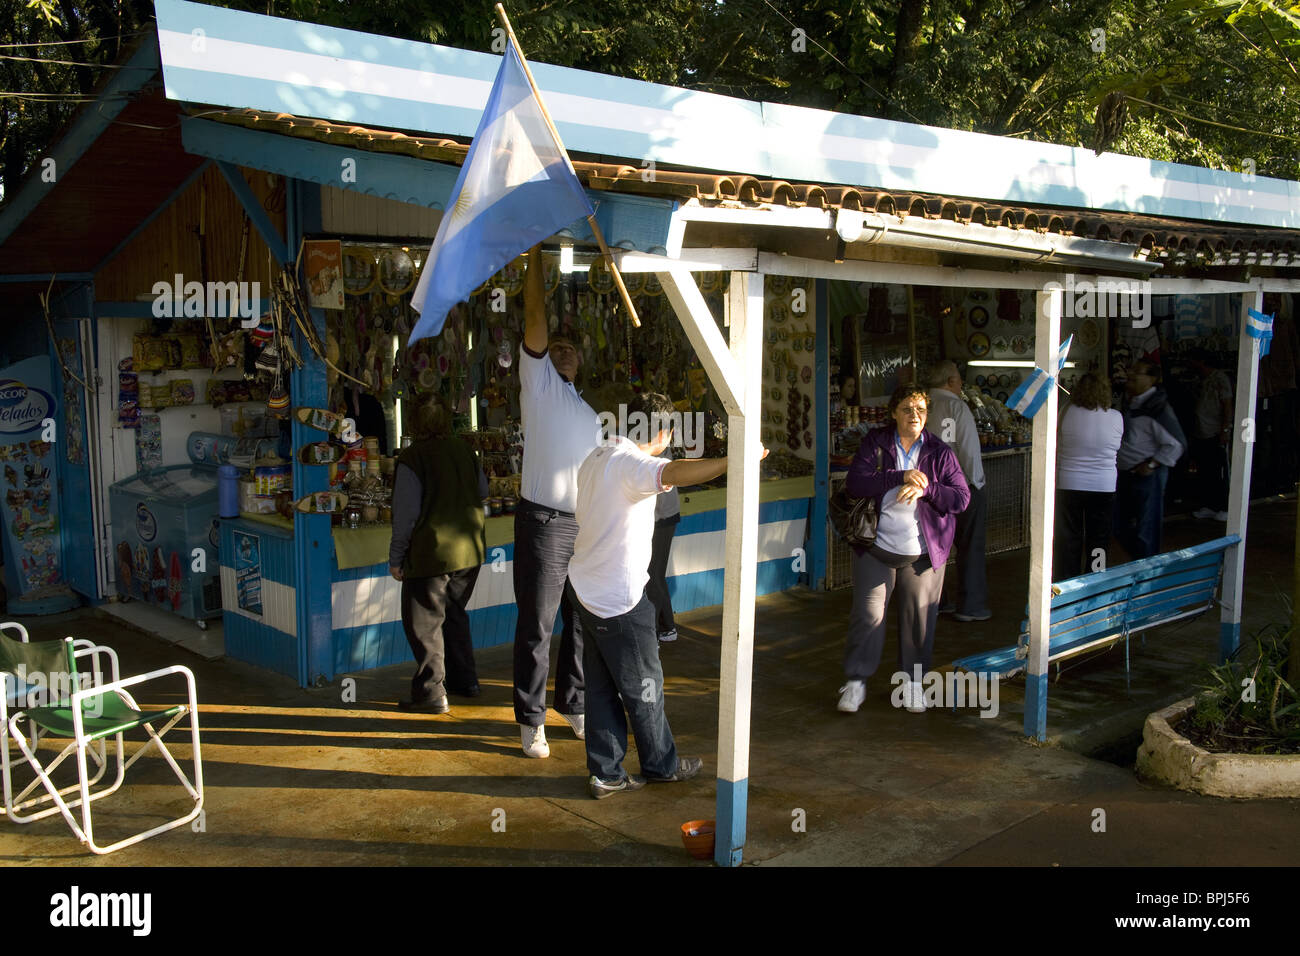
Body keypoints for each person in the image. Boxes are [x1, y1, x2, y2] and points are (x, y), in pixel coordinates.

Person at [567, 392, 751, 797]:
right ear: (665, 432)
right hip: (619, 598)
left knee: (600, 687)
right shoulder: (632, 464)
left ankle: (606, 773)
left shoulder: (597, 457)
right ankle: (660, 766)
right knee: (644, 686)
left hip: (585, 589)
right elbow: (675, 473)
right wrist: (733, 462)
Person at [512, 245, 601, 758]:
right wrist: (536, 253)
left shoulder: (587, 410)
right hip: (544, 523)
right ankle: (530, 720)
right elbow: (534, 315)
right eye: (556, 345)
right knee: (538, 626)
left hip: (581, 524)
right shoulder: (538, 383)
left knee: (582, 624)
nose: (563, 351)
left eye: (571, 348)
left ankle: (573, 703)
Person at [838, 385, 970, 715]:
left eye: (922, 410)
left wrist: (927, 487)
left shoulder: (940, 452)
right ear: (894, 411)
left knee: (919, 619)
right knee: (868, 616)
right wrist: (899, 476)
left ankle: (912, 684)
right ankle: (855, 683)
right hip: (877, 546)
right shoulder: (876, 443)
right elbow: (856, 482)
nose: (915, 415)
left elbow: (961, 498)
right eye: (908, 409)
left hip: (923, 553)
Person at [389, 401, 486, 713]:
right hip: (469, 551)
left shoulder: (412, 458)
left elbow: (405, 515)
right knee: (454, 614)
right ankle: (466, 681)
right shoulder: (464, 451)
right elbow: (482, 490)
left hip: (431, 553)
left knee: (425, 624)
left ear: (413, 424)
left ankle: (432, 693)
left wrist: (396, 557)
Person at [926, 360, 989, 621]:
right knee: (970, 546)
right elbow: (967, 450)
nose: (962, 384)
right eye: (959, 379)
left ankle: (934, 601)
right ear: (950, 381)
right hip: (959, 486)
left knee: (931, 546)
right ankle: (970, 606)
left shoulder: (922, 403)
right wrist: (976, 484)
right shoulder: (956, 406)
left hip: (928, 487)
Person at [1054, 373, 1124, 580]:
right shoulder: (1116, 417)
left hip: (1069, 483)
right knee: (1099, 538)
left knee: (1068, 538)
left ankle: (1066, 581)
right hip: (1104, 486)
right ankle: (1096, 579)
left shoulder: (1065, 412)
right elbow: (1116, 447)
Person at [1114, 358, 1186, 560]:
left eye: (1139, 371)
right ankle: (1141, 563)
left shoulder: (1158, 408)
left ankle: (1147, 573)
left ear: (1152, 379)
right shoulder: (1132, 403)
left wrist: (1152, 464)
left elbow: (1176, 444)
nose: (1132, 375)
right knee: (1118, 524)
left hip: (1147, 476)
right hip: (1126, 474)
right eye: (1132, 369)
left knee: (1146, 529)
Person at [1184, 350, 1233, 521]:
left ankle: (1224, 506)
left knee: (1219, 471)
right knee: (1205, 471)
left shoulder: (1220, 379)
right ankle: (1209, 506)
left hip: (1215, 432)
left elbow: (1227, 405)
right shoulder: (1201, 380)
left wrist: (1225, 430)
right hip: (1201, 432)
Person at [647, 441, 681, 643]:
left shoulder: (657, 450)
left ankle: (654, 633)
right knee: (655, 575)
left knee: (652, 576)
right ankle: (667, 627)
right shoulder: (654, 448)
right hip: (662, 517)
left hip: (662, 518)